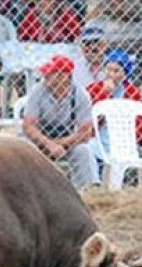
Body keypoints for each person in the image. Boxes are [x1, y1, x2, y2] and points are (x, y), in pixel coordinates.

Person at [21, 55, 99, 188]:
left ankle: (87, 190)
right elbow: (28, 126)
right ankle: (29, 188)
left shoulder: (80, 94)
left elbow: (85, 133)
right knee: (26, 148)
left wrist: (60, 144)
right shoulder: (38, 91)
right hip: (40, 139)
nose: (45, 77)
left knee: (83, 151)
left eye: (50, 74)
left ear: (64, 76)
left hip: (68, 140)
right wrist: (48, 144)